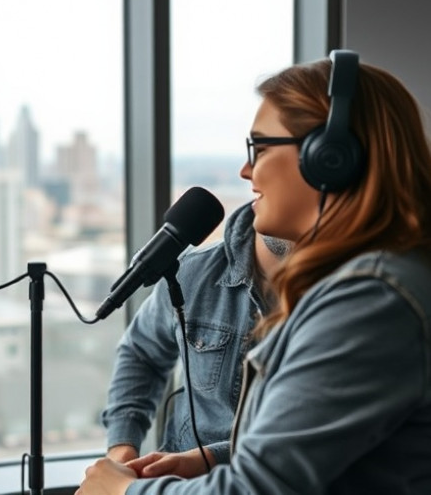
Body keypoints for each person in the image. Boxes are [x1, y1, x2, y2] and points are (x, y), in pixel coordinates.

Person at [78, 52, 431, 494]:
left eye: (260, 149)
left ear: (330, 159)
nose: (246, 171)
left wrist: (119, 491)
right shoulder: (372, 288)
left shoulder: (372, 300)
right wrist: (204, 457)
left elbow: (257, 489)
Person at [102, 201, 289, 474]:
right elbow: (141, 353)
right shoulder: (195, 273)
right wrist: (122, 444)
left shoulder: (354, 301)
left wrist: (208, 459)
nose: (247, 172)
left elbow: (313, 435)